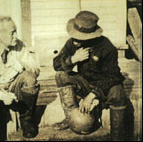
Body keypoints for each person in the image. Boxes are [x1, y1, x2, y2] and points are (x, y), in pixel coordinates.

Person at [52, 11, 128, 141]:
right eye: (74, 35)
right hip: (85, 84)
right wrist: (73, 59)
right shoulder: (73, 43)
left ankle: (118, 136)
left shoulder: (106, 46)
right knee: (61, 75)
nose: (74, 40)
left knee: (118, 92)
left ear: (90, 36)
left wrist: (92, 95)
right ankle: (71, 117)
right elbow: (56, 64)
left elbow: (114, 77)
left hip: (104, 87)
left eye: (79, 37)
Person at [0, 16, 40, 140]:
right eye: (12, 32)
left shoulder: (18, 45)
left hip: (12, 87)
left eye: (16, 31)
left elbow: (35, 68)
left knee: (30, 78)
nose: (16, 35)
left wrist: (22, 66)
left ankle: (26, 120)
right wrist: (1, 95)